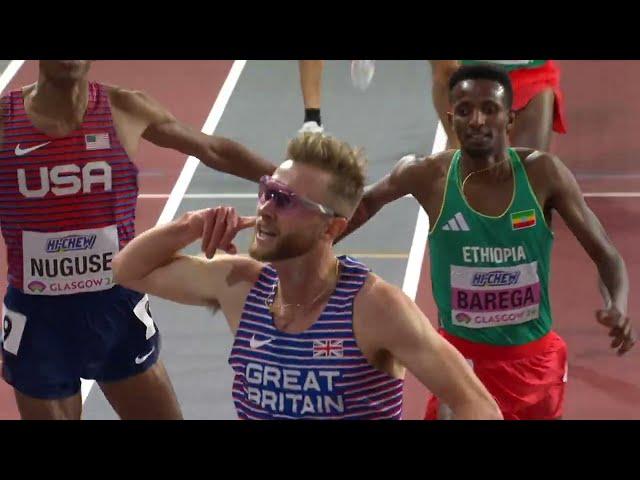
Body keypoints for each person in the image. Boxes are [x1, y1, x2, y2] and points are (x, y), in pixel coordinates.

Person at [112, 132, 502, 420]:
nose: (264, 208)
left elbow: (478, 406)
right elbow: (128, 270)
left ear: (331, 228)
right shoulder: (242, 287)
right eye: (267, 191)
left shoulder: (374, 307)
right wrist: (192, 224)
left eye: (284, 201)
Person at [337, 64, 634, 420]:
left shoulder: (543, 174)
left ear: (510, 119)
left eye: (489, 109)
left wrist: (617, 303)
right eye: (464, 110)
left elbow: (608, 256)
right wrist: (311, 241)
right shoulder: (427, 175)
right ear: (451, 118)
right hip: (459, 363)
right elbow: (364, 204)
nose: (476, 120)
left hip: (533, 366)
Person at [0, 60, 276, 420]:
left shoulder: (123, 108)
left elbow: (213, 149)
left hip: (116, 307)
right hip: (38, 321)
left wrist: (288, 184)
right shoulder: (6, 121)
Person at [429, 60, 567, 150]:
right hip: (465, 70)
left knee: (528, 174)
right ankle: (458, 152)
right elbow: (444, 73)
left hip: (528, 76)